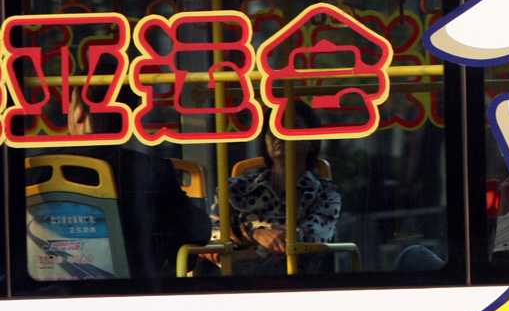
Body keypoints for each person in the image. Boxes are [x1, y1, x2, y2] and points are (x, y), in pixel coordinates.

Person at [34, 69, 212, 279]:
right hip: (136, 287)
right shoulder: (150, 170)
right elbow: (195, 232)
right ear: (130, 118)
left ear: (78, 112)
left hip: (50, 286)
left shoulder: (35, 171)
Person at [198, 101, 341, 275]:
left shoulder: (324, 192)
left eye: (293, 126)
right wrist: (254, 234)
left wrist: (241, 254)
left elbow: (310, 239)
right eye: (273, 128)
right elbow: (213, 233)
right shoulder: (235, 188)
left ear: (313, 142)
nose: (280, 133)